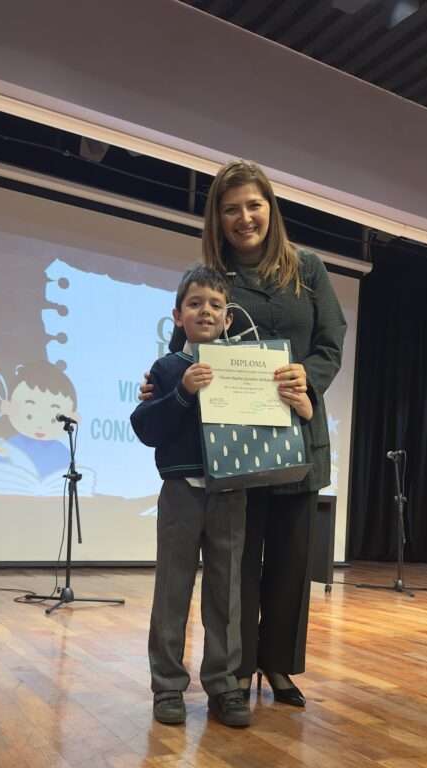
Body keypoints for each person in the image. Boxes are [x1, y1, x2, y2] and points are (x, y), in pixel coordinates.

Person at [142, 161, 346, 705]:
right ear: (218, 217)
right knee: (237, 565)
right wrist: (159, 383)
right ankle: (236, 669)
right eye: (231, 209)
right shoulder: (213, 276)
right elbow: (186, 341)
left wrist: (309, 379)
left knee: (290, 560)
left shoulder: (308, 268)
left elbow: (331, 341)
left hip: (298, 428)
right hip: (234, 445)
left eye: (254, 205)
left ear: (270, 208)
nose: (244, 217)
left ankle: (278, 666)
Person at [132, 264, 286, 728]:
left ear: (228, 319)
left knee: (227, 591)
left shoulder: (246, 367)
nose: (206, 311)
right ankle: (167, 686)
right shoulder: (166, 368)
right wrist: (182, 392)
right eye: (195, 303)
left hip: (230, 493)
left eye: (216, 305)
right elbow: (146, 428)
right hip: (181, 492)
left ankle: (223, 684)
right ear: (177, 315)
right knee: (172, 589)